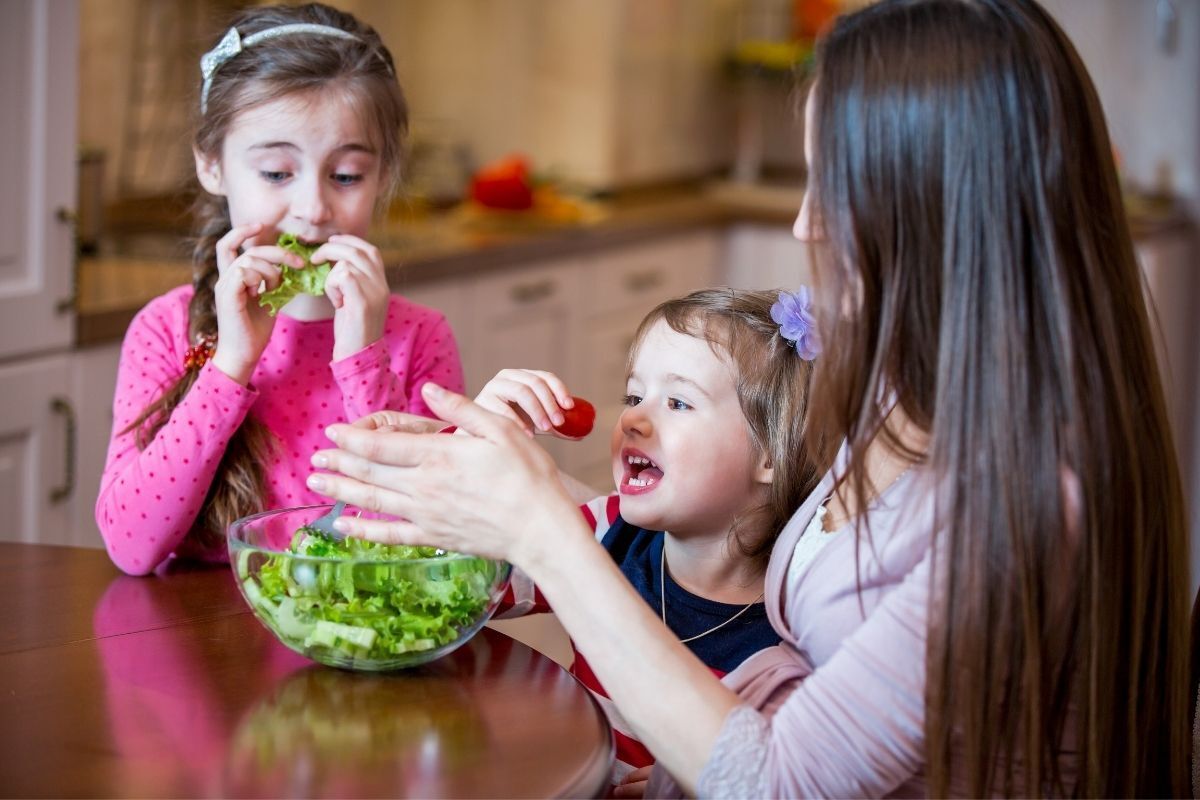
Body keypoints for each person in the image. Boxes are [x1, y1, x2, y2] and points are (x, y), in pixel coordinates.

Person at [307, 0, 1190, 795]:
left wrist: (539, 524)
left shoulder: (1025, 506)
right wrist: (498, 495)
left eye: (832, 189)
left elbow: (780, 784)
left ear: (930, 208)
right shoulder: (905, 396)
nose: (805, 225)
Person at [95, 3, 464, 576]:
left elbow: (427, 551)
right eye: (275, 173)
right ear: (212, 165)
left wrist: (363, 361)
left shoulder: (418, 337)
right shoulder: (164, 329)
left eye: (346, 176)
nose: (314, 210)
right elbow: (131, 546)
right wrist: (230, 366)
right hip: (200, 649)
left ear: (384, 175)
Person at [470, 288, 819, 790]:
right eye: (634, 396)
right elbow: (462, 589)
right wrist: (479, 446)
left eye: (678, 402)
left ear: (773, 454)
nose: (633, 418)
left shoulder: (795, 625)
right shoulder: (606, 531)